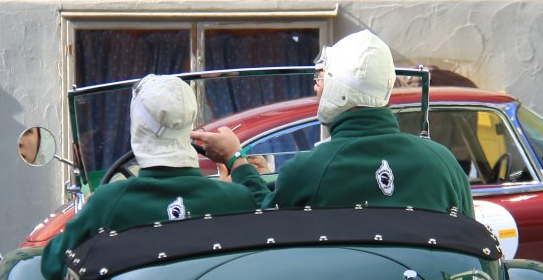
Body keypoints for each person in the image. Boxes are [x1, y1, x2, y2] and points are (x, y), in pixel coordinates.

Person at [195, 30, 474, 215]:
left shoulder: (310, 170)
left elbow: (264, 218)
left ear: (338, 89)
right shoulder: (444, 164)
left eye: (321, 78)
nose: (316, 87)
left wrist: (236, 160)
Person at [40, 75, 258, 280]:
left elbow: (52, 265)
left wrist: (88, 210)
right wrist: (237, 161)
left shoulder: (108, 202)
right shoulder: (236, 198)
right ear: (189, 125)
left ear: (138, 127)